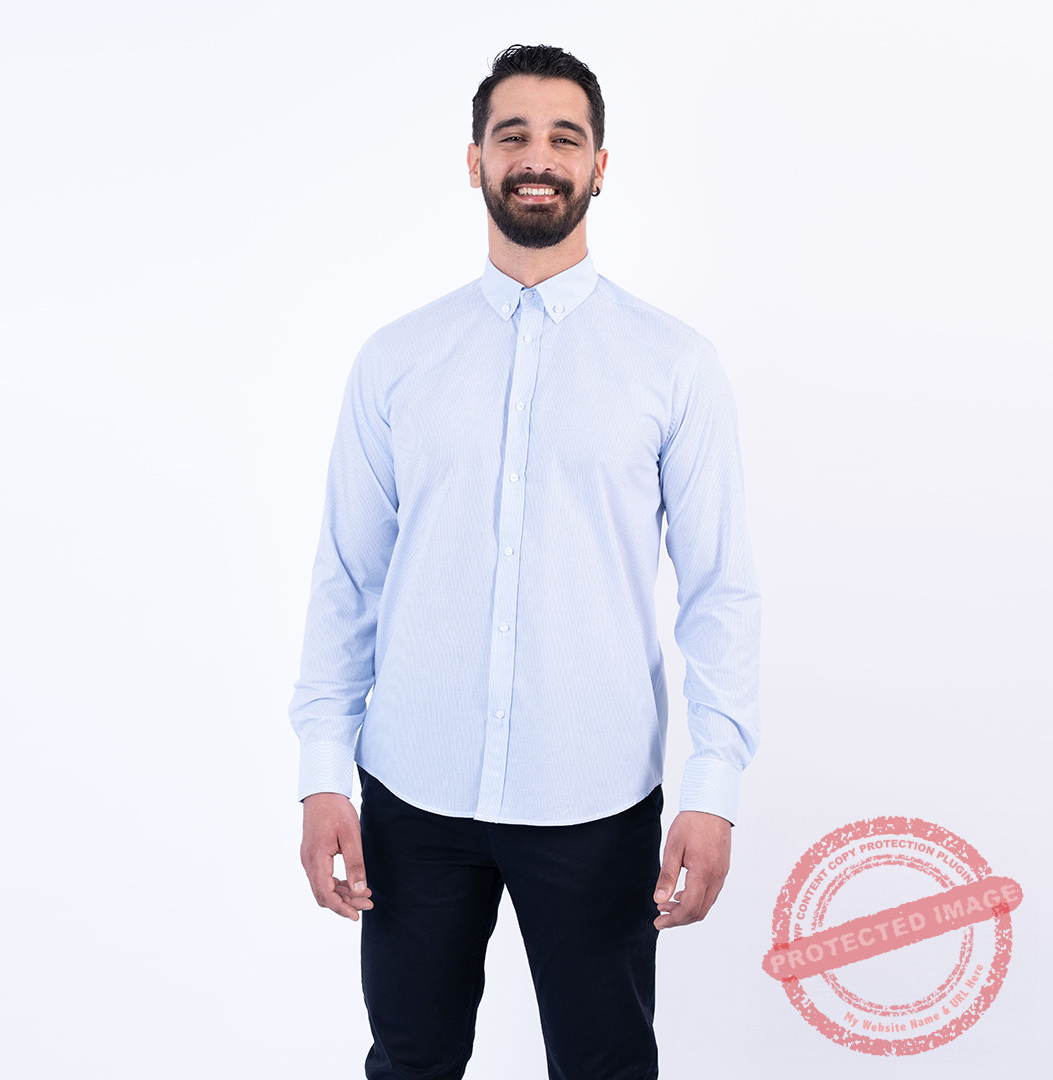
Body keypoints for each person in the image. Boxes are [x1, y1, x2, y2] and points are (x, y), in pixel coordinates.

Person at [289, 43, 761, 1080]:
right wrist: (323, 773)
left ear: (600, 166)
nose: (537, 158)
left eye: (564, 137)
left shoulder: (673, 365)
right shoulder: (397, 360)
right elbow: (347, 580)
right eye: (512, 136)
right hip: (414, 794)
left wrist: (714, 785)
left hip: (596, 801)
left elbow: (720, 591)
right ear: (475, 162)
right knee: (409, 1062)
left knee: (604, 1067)